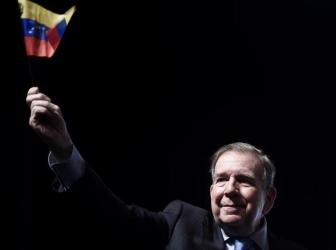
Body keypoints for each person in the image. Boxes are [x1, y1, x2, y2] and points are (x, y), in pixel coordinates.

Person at [26, 86, 308, 250]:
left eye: (244, 180)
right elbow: (114, 217)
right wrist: (64, 150)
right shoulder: (181, 221)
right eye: (221, 180)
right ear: (211, 190)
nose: (229, 190)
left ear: (268, 198)